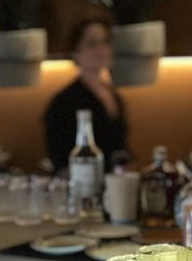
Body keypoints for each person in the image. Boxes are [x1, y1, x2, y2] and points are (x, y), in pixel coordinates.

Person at [44, 19, 129, 170]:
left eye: (104, 42)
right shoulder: (65, 101)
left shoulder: (114, 94)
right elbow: (59, 155)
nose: (101, 49)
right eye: (91, 44)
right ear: (75, 53)